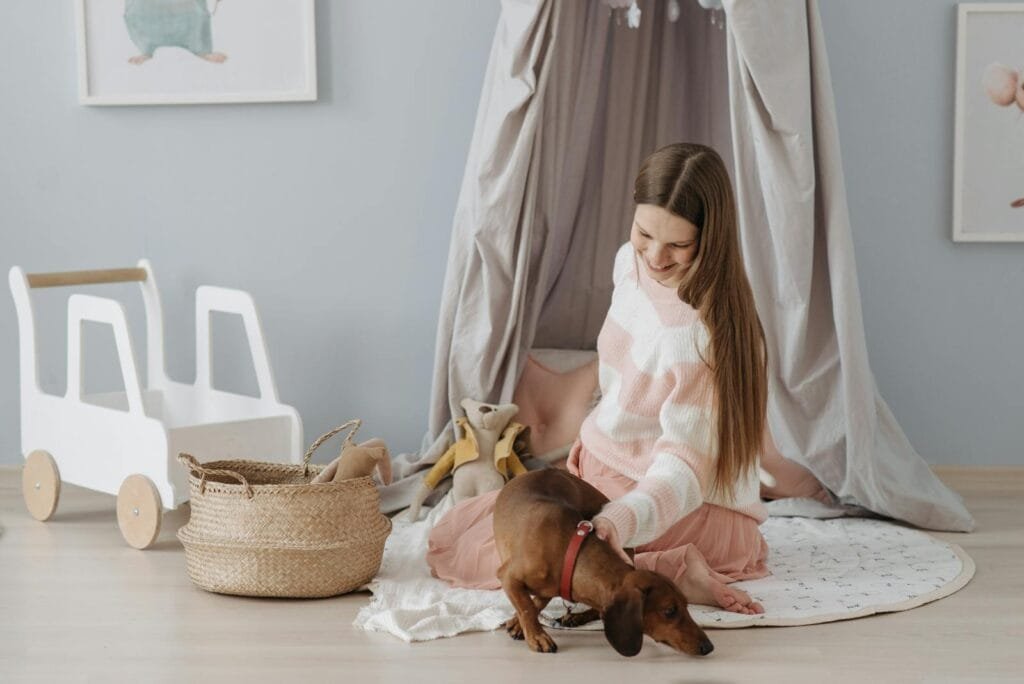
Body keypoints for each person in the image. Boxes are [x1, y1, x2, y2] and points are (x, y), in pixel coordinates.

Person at [427, 142, 771, 614]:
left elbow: (684, 473)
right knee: (481, 529)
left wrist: (622, 519)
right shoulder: (628, 263)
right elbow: (622, 386)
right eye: (645, 232)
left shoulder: (700, 335)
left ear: (712, 238)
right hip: (608, 472)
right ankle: (660, 566)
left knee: (532, 558)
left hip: (685, 502)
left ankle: (669, 568)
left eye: (678, 245)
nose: (654, 255)